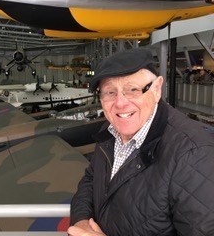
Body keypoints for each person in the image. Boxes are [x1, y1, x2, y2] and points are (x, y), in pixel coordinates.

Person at [68, 48, 214, 236]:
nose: (120, 103)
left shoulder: (193, 155)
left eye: (133, 90)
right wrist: (81, 223)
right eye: (110, 92)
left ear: (156, 89)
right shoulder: (110, 130)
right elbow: (90, 181)